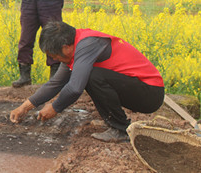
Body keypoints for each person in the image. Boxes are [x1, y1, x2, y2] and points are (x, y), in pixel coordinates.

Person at [10, 21, 164, 142]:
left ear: (65, 47)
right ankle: (113, 123)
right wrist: (25, 106)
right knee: (90, 75)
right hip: (137, 88)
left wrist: (55, 107)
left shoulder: (87, 45)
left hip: (150, 93)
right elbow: (55, 83)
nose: (54, 59)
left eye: (53, 55)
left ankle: (120, 129)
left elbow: (75, 88)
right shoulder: (75, 47)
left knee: (91, 76)